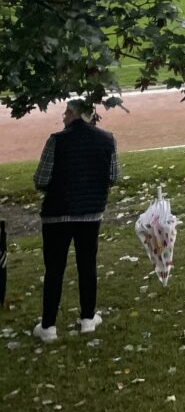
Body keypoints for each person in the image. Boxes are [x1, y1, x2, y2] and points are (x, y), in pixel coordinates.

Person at [32, 100, 119, 341]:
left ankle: (48, 326)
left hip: (57, 214)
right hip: (91, 213)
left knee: (54, 269)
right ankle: (88, 318)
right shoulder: (108, 139)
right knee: (87, 264)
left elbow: (41, 178)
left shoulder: (56, 140)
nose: (62, 118)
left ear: (73, 114)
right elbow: (114, 176)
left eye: (65, 113)